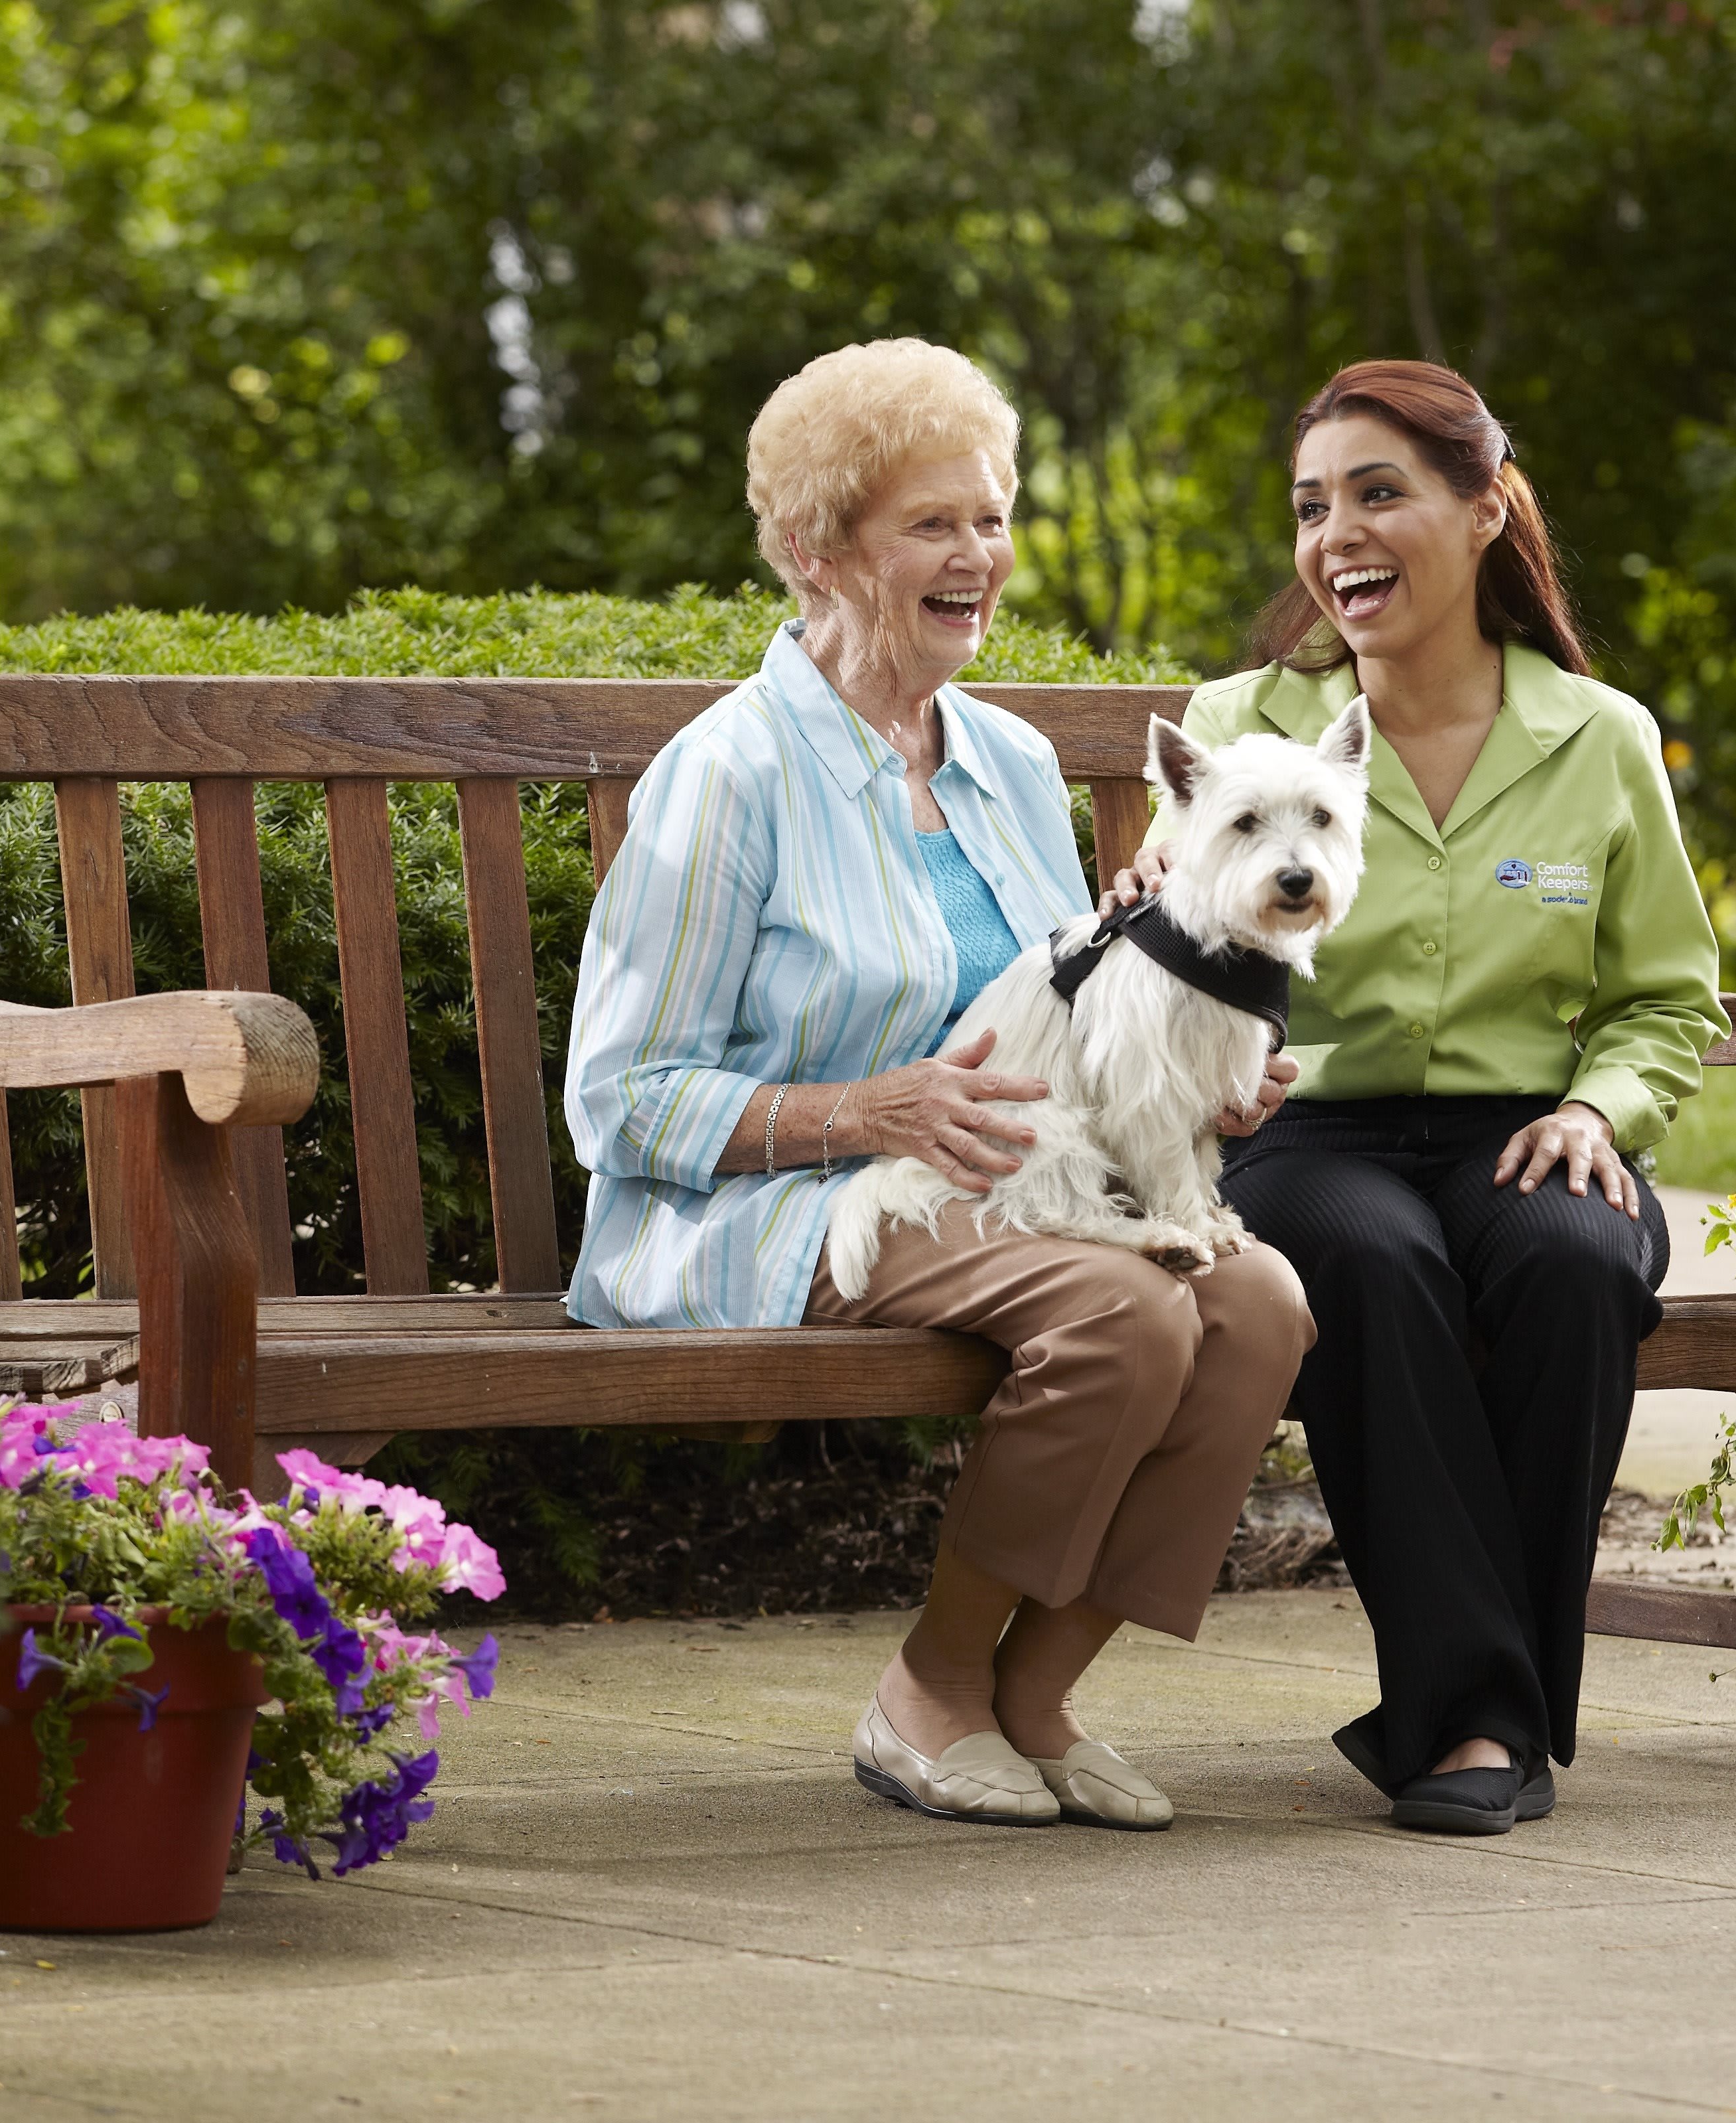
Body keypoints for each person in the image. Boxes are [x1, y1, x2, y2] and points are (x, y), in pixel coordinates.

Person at [563, 337, 1317, 1834]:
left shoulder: (1012, 762)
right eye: (933, 525)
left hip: (1016, 1197)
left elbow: (1069, 1029)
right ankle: (930, 1691)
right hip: (784, 1211)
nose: (980, 555)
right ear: (814, 553)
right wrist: (865, 1111)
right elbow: (621, 1096)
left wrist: (1189, 1086)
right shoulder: (732, 776)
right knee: (1124, 1309)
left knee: (1258, 1306)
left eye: (991, 516)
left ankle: (1035, 1697)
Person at [1116, 358, 1727, 1836]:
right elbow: (1164, 945)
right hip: (1306, 1131)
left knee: (1574, 1260)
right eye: (1314, 507)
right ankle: (1478, 1724)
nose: (1338, 537)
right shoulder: (1245, 720)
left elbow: (1666, 996)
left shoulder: (1602, 739)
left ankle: (1473, 1712)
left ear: (1484, 507)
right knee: (1371, 1264)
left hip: (1530, 1124)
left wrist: (1603, 1113)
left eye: (1379, 494)